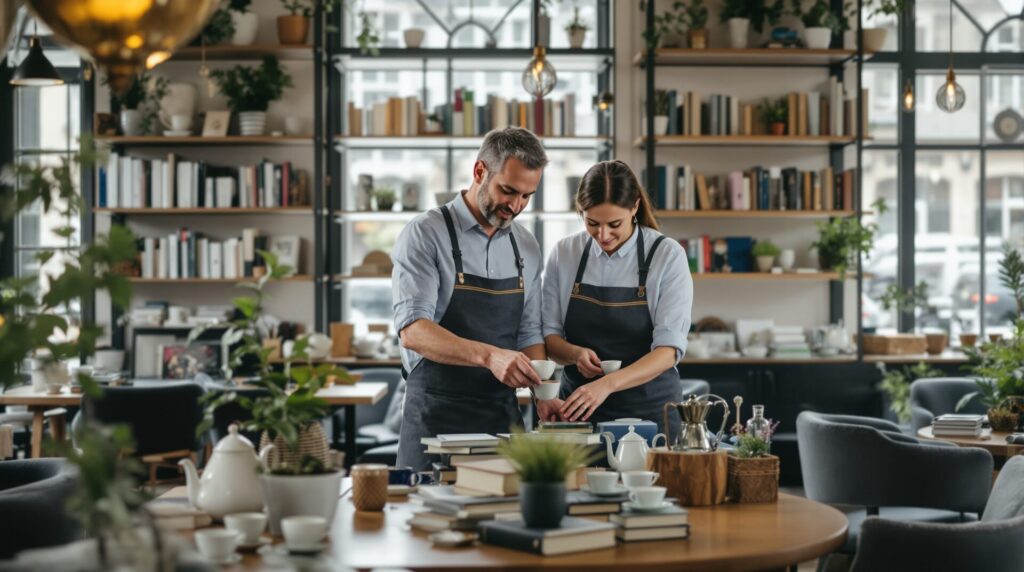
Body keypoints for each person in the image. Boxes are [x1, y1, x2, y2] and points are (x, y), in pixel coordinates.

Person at [392, 127, 558, 471]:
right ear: (480, 171)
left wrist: (545, 396)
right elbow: (413, 330)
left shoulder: (526, 246)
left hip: (501, 420)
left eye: (527, 196)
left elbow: (528, 333)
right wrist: (491, 357)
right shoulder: (425, 233)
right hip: (434, 420)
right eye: (508, 191)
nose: (516, 206)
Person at [541, 160, 693, 436]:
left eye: (614, 224)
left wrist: (606, 385)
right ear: (580, 211)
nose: (603, 235)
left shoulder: (667, 255)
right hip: (578, 412)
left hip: (650, 414)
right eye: (592, 223)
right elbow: (550, 339)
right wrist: (574, 355)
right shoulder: (565, 253)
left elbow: (668, 351)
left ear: (635, 206)